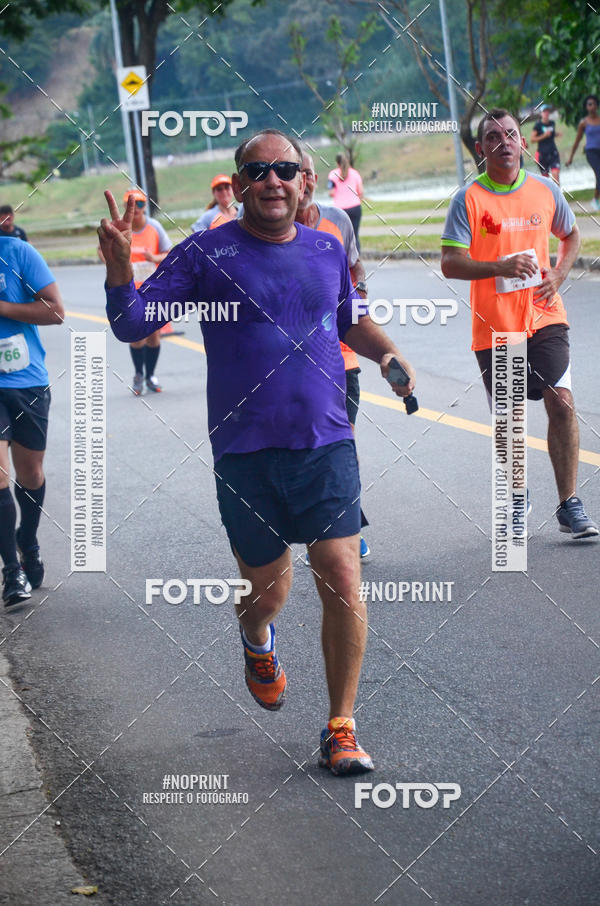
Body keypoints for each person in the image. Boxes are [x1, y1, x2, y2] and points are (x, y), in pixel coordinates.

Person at [100, 128, 416, 775]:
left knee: (343, 575)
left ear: (304, 181)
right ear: (240, 184)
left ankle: (340, 727)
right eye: (259, 170)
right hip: (245, 453)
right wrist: (116, 268)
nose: (273, 180)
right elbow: (134, 323)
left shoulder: (327, 250)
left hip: (325, 445)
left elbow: (348, 316)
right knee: (268, 592)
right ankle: (255, 636)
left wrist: (387, 355)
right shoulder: (206, 253)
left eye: (286, 169)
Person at [441, 108, 598, 540]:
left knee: (562, 402)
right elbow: (451, 263)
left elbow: (571, 236)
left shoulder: (546, 190)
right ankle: (516, 496)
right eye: (493, 137)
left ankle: (569, 504)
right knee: (509, 420)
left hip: (544, 314)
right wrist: (500, 265)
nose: (504, 142)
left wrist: (559, 275)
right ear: (481, 149)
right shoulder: (468, 200)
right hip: (495, 325)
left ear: (523, 142)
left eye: (511, 134)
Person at [296, 149, 371, 561]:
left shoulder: (338, 220)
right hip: (292, 366)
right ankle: (325, 520)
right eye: (295, 172)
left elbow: (357, 272)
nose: (303, 180)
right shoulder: (271, 225)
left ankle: (347, 523)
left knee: (343, 444)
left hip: (341, 358)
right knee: (309, 447)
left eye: (308, 172)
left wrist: (359, 308)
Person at [0, 236, 64, 608]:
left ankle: (28, 538)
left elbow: (55, 311)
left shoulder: (17, 253)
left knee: (31, 473)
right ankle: (12, 570)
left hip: (26, 381)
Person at [99, 189, 172, 395]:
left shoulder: (154, 227)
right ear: (126, 207)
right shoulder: (120, 229)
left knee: (154, 336)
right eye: (134, 204)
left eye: (141, 204)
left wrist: (153, 258)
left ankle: (150, 375)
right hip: (131, 292)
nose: (138, 209)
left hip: (153, 291)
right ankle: (138, 374)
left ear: (145, 206)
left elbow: (169, 253)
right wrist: (116, 264)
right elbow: (101, 250)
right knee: (136, 337)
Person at [566, 94, 600, 210]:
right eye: (590, 104)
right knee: (599, 173)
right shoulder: (583, 123)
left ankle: (595, 199)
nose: (592, 106)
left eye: (594, 104)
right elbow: (577, 141)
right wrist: (570, 157)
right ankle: (596, 201)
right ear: (586, 107)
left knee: (598, 175)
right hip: (591, 152)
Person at [328, 153, 363, 251]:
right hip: (355, 207)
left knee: (341, 236)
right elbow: (361, 191)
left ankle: (343, 261)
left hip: (340, 210)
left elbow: (331, 192)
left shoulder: (332, 174)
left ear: (337, 163)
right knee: (354, 235)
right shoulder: (355, 173)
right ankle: (357, 261)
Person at [530, 105, 561, 183]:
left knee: (555, 174)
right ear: (541, 114)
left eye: (547, 111)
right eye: (544, 111)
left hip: (553, 152)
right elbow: (532, 139)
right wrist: (544, 136)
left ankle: (557, 194)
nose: (546, 113)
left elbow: (551, 134)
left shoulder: (552, 123)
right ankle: (548, 194)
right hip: (542, 154)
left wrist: (557, 134)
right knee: (546, 179)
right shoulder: (538, 125)